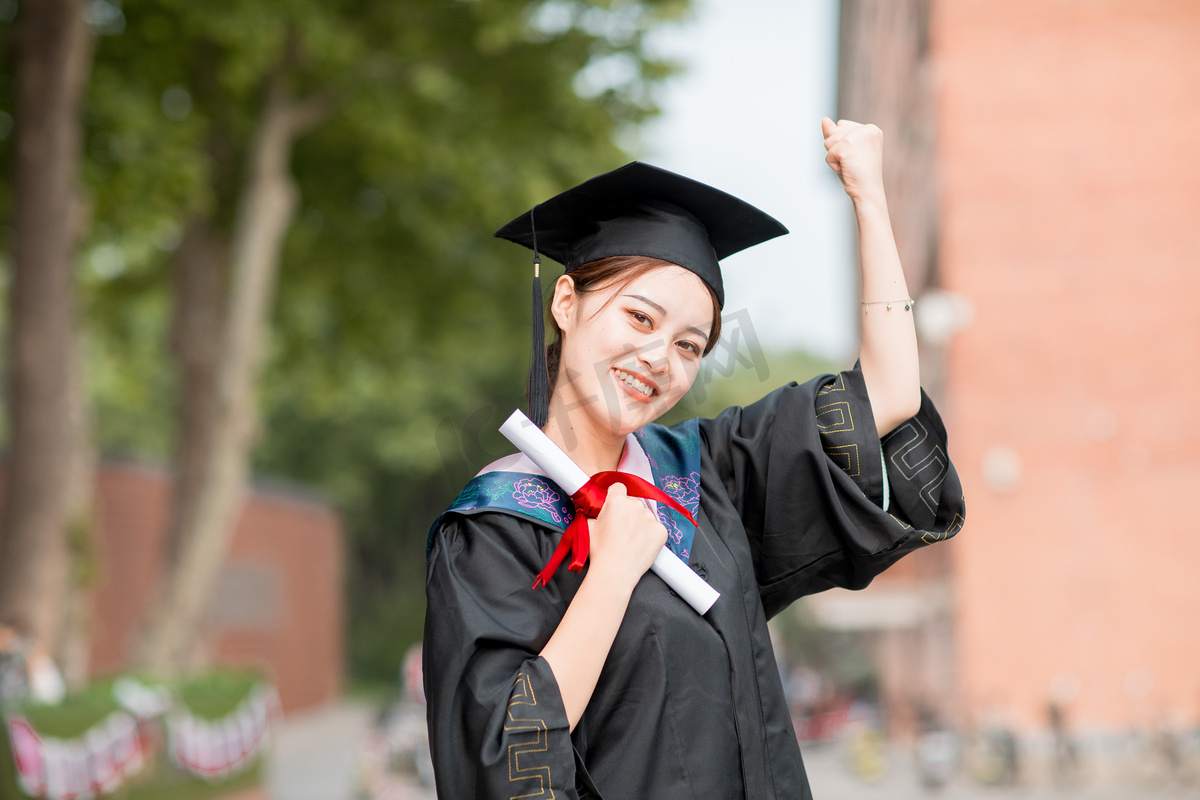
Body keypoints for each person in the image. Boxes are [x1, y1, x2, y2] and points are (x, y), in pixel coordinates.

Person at [423, 119, 966, 799]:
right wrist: (611, 573)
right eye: (640, 320)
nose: (658, 360)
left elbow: (887, 395)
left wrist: (870, 198)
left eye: (689, 346)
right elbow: (503, 758)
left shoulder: (705, 472)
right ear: (567, 302)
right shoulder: (492, 529)